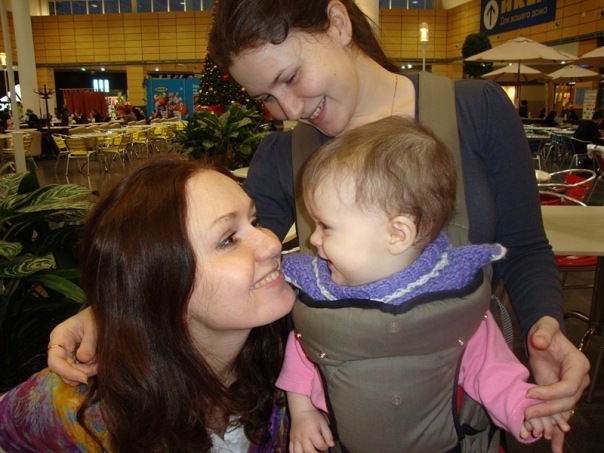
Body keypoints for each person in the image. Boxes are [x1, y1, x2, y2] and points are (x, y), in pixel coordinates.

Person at [49, 1, 589, 450]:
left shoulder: (475, 111)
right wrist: (108, 310)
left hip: (463, 415)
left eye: (289, 78)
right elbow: (206, 255)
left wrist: (545, 328)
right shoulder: (283, 155)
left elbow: (523, 246)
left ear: (337, 22)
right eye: (266, 97)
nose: (288, 109)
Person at [276, 116, 570, 452]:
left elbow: (493, 370)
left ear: (397, 234)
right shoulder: (322, 292)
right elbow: (303, 349)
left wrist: (524, 409)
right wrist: (303, 412)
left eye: (326, 226)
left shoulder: (454, 301)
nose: (313, 239)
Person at [0, 156, 293, 451]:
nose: (272, 244)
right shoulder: (80, 403)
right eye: (228, 239)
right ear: (166, 288)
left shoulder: (293, 357)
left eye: (254, 221)